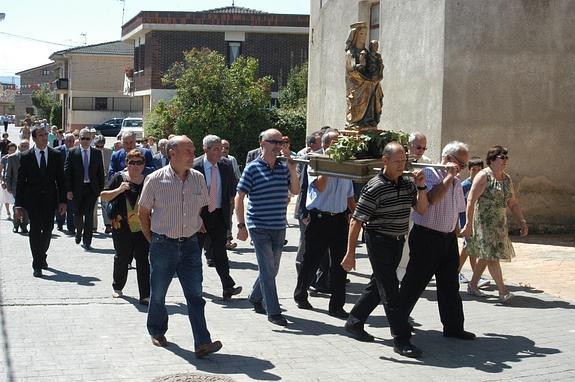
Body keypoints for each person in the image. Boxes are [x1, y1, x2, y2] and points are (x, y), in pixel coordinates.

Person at [138, 135, 222, 357]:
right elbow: (143, 212)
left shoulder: (198, 178)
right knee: (158, 293)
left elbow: (201, 208)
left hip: (190, 247)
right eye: (189, 151)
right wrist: (152, 239)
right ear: (172, 154)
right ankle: (157, 330)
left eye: (194, 151)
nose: (193, 155)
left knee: (195, 295)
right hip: (162, 245)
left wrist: (196, 224)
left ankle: (202, 342)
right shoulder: (155, 179)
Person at [341, 143, 428, 353]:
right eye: (397, 161)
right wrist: (350, 254)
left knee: (379, 283)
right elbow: (356, 221)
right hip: (378, 239)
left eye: (404, 161)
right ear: (385, 160)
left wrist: (422, 187)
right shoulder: (374, 187)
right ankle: (401, 339)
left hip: (398, 240)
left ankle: (354, 321)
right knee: (390, 290)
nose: (401, 165)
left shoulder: (408, 184)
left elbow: (422, 209)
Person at [393, 141, 475, 358]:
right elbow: (429, 201)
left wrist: (458, 231)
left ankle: (454, 327)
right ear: (449, 159)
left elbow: (457, 209)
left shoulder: (457, 182)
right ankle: (398, 328)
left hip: (447, 239)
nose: (462, 169)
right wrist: (448, 178)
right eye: (461, 164)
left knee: (450, 285)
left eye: (464, 165)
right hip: (427, 237)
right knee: (414, 284)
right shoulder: (429, 174)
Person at [235, 128, 300, 326]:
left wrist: (291, 168)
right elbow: (239, 197)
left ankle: (255, 296)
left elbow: (296, 190)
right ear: (263, 144)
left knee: (272, 269)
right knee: (267, 269)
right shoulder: (252, 168)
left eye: (281, 143)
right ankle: (274, 311)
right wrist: (241, 225)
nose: (278, 146)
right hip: (259, 226)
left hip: (279, 226)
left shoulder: (283, 167)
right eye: (274, 142)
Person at [293, 130, 356, 318]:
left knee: (340, 265)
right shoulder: (317, 161)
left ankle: (337, 306)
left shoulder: (346, 164)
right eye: (336, 143)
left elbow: (349, 194)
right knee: (311, 260)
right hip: (319, 218)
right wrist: (329, 164)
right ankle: (300, 294)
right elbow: (319, 186)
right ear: (326, 145)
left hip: (339, 219)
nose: (340, 146)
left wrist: (356, 213)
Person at [461, 146, 528, 302]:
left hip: (499, 224)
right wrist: (468, 224)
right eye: (501, 157)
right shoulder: (483, 176)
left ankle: (472, 285)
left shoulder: (506, 179)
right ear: (491, 160)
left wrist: (522, 220)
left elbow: (512, 202)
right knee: (492, 256)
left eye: (506, 157)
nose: (505, 160)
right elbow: (471, 200)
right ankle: (503, 291)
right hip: (484, 223)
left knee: (485, 256)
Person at [193, 135, 242, 300]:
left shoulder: (226, 165)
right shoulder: (195, 166)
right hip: (199, 216)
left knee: (220, 253)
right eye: (215, 149)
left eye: (220, 148)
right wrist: (196, 218)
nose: (219, 152)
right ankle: (195, 287)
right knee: (194, 253)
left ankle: (228, 287)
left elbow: (231, 189)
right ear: (205, 149)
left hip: (219, 215)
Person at [15, 126, 67, 277]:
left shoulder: (56, 155)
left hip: (50, 199)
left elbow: (61, 180)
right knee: (35, 230)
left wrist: (63, 201)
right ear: (34, 138)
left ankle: (41, 255)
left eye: (45, 134)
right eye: (40, 135)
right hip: (32, 200)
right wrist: (18, 205)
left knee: (49, 228)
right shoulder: (25, 156)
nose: (44, 137)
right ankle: (37, 263)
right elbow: (20, 182)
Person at [101, 149, 150, 304]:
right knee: (122, 257)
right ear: (126, 164)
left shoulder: (148, 180)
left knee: (142, 260)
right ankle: (118, 287)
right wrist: (119, 189)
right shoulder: (119, 177)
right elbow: (103, 195)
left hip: (143, 227)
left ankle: (145, 295)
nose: (135, 166)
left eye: (139, 162)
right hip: (121, 226)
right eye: (132, 162)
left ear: (143, 165)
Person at [64, 128, 105, 250]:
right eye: (83, 138)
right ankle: (78, 232)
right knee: (77, 214)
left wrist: (100, 190)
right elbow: (67, 172)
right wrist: (69, 190)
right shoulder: (72, 152)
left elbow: (100, 172)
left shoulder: (97, 153)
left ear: (91, 139)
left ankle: (87, 241)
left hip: (91, 189)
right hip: (77, 189)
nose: (86, 141)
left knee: (89, 215)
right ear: (79, 139)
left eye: (88, 138)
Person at [457, 157, 489, 286]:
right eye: (473, 170)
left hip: (479, 220)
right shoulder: (464, 186)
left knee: (470, 247)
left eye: (479, 170)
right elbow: (459, 204)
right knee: (469, 246)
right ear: (469, 170)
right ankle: (473, 275)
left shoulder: (483, 184)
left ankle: (463, 273)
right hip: (467, 220)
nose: (476, 172)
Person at [345, 22, 383, 129]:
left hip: (368, 82)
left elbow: (372, 66)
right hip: (356, 84)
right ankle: (356, 122)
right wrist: (361, 67)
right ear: (355, 35)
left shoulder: (367, 52)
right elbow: (351, 70)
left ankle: (369, 120)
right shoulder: (350, 52)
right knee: (362, 96)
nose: (364, 37)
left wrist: (376, 74)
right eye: (361, 34)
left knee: (375, 90)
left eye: (365, 34)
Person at [5, 140, 30, 233]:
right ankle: (16, 224)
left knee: (26, 206)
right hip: (16, 186)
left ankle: (24, 225)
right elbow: (8, 174)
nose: (24, 148)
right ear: (19, 147)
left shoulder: (31, 157)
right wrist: (8, 186)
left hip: (28, 187)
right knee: (17, 205)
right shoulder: (12, 158)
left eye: (26, 146)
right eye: (22, 146)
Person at [221, 139, 241, 249]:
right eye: (222, 147)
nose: (224, 150)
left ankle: (228, 240)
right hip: (215, 197)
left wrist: (236, 194)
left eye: (227, 148)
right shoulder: (212, 161)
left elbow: (237, 177)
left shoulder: (232, 159)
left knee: (228, 217)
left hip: (229, 195)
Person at [55, 134, 76, 233]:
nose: (70, 143)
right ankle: (60, 223)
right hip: (60, 182)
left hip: (72, 183)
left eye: (72, 141)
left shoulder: (76, 151)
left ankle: (71, 226)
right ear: (65, 140)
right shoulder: (57, 151)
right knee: (60, 203)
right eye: (68, 140)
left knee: (71, 206)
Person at [94, 135, 113, 234]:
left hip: (106, 180)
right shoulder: (91, 152)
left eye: (101, 146)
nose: (99, 148)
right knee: (94, 204)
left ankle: (108, 224)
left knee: (105, 202)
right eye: (97, 146)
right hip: (94, 180)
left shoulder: (109, 152)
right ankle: (93, 226)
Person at [1, 143, 18, 219]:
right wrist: (2, 181)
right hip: (6, 180)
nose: (12, 152)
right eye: (11, 150)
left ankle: (16, 211)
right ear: (8, 150)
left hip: (14, 181)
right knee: (6, 197)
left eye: (14, 150)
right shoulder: (4, 158)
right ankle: (8, 213)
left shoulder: (17, 157)